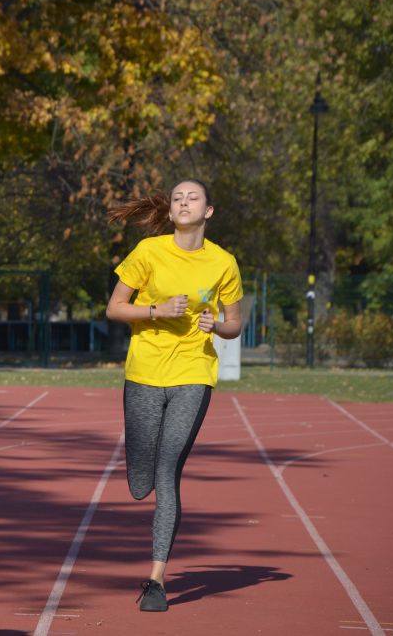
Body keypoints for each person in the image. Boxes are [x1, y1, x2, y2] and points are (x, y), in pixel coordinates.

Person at [105, 179, 243, 612]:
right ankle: (140, 476)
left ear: (208, 211)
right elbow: (113, 308)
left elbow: (234, 324)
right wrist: (155, 311)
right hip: (144, 373)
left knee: (168, 471)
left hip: (193, 373)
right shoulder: (149, 252)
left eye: (193, 197)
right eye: (178, 198)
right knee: (140, 484)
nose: (184, 202)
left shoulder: (223, 262)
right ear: (171, 210)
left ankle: (156, 580)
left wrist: (215, 326)